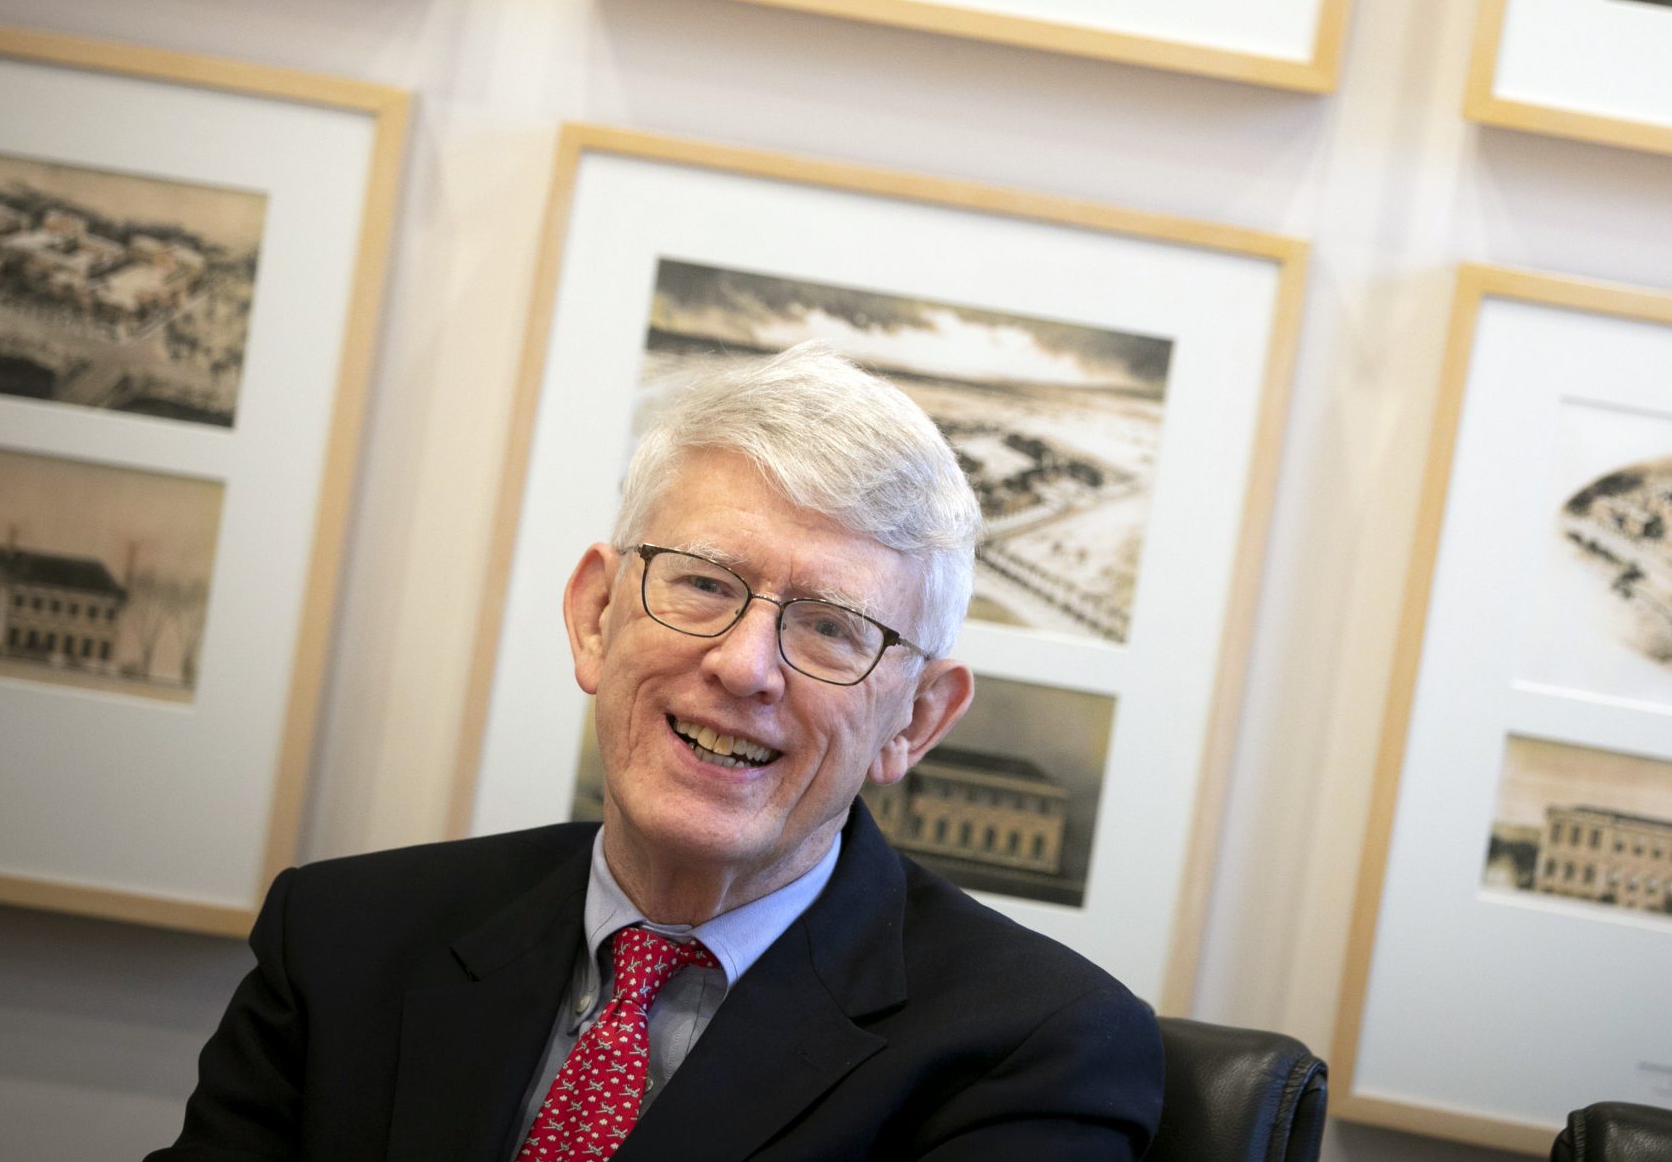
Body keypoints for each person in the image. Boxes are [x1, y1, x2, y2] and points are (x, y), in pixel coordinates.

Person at [152, 344, 1163, 1160]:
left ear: (915, 721)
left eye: (830, 627)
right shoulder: (342, 942)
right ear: (595, 616)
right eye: (703, 584)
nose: (742, 666)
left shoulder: (1036, 1052)